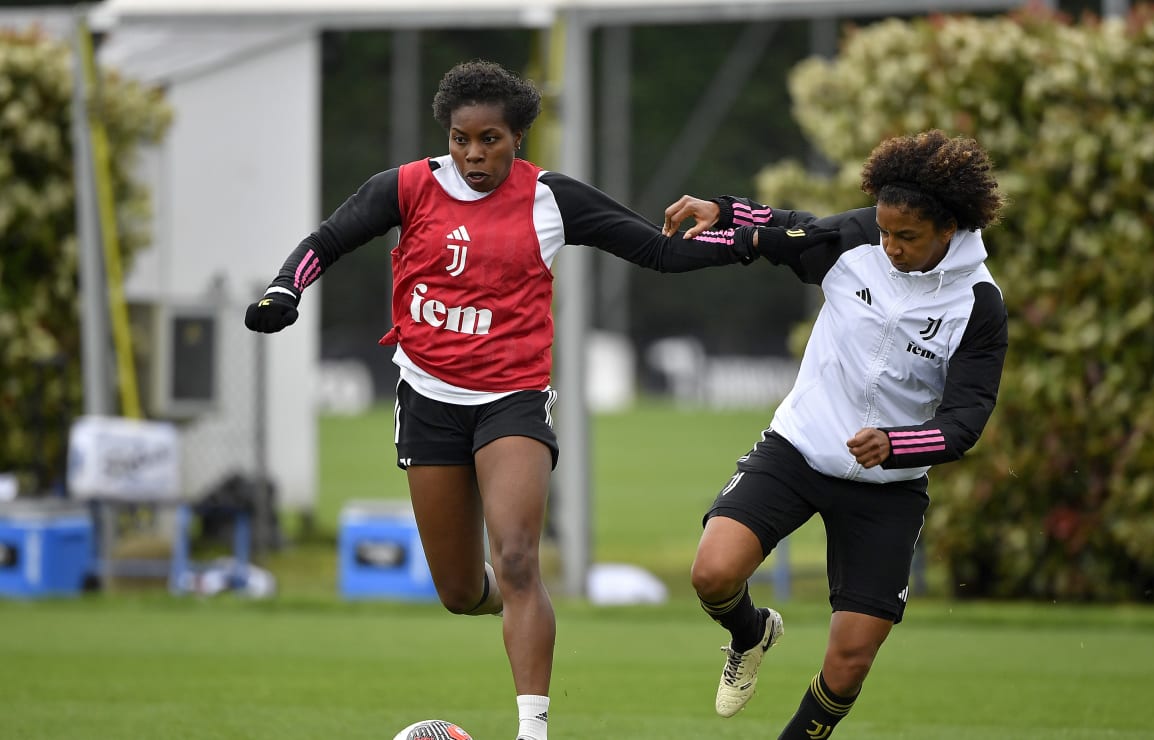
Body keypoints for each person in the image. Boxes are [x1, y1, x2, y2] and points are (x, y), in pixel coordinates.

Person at [242, 59, 829, 740]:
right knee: (462, 592)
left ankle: (533, 730)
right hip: (428, 397)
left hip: (511, 399)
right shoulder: (404, 188)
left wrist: (755, 244)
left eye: (490, 139)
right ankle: (513, 606)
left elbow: (657, 251)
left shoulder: (552, 198)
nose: (473, 154)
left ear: (518, 137)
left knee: (518, 557)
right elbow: (328, 239)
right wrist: (286, 287)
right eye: (462, 138)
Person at [662, 129, 1008, 738]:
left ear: (948, 230)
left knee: (848, 664)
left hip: (888, 484)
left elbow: (964, 424)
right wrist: (725, 211)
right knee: (712, 574)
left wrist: (896, 445)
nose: (891, 248)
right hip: (800, 447)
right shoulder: (857, 242)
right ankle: (752, 632)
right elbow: (785, 233)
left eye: (908, 237)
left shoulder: (978, 304)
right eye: (885, 232)